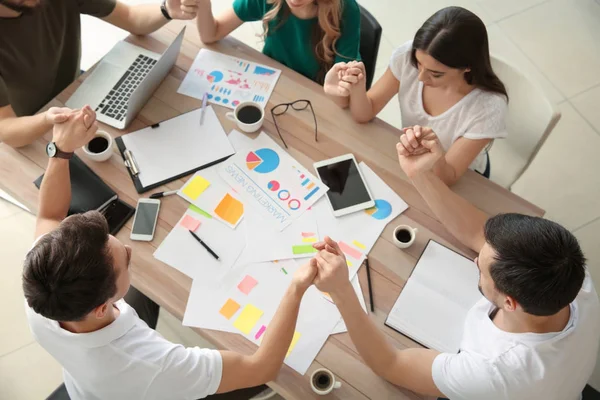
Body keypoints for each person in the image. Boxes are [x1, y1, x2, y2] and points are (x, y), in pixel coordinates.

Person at [23, 106, 318, 399]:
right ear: (102, 307)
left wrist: (61, 151)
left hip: (88, 385)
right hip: (140, 389)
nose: (128, 248)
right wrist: (296, 287)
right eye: (125, 260)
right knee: (275, 383)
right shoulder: (155, 366)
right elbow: (262, 367)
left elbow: (49, 215)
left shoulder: (42, 277)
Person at [309, 134, 600, 399]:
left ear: (509, 302)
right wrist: (421, 175)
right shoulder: (569, 271)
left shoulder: (493, 374)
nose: (474, 259)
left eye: (481, 268)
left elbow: (390, 364)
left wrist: (341, 290)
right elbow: (477, 233)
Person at [324, 6, 508, 183]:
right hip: (413, 159)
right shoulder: (408, 56)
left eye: (436, 74)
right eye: (418, 64)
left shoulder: (488, 107)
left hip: (461, 176)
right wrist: (357, 87)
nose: (420, 77)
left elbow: (449, 176)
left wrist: (435, 154)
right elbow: (364, 113)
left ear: (467, 67)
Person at [0, 0, 198, 148]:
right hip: (33, 124)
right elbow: (7, 129)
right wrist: (46, 119)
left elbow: (131, 18)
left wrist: (166, 10)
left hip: (77, 90)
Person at [195, 0, 361, 87]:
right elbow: (211, 34)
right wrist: (203, 4)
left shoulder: (346, 10)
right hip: (271, 82)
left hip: (317, 93)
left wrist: (341, 89)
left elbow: (342, 93)